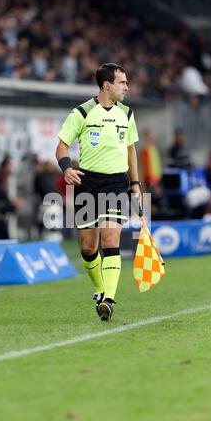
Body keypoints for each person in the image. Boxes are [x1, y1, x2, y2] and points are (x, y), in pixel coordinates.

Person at [55, 63, 141, 321]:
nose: (127, 87)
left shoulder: (127, 113)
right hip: (87, 183)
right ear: (107, 85)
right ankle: (101, 289)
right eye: (122, 82)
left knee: (111, 238)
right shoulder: (81, 112)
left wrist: (135, 184)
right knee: (88, 247)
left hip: (116, 182)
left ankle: (110, 300)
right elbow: (61, 147)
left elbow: (131, 151)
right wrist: (66, 168)